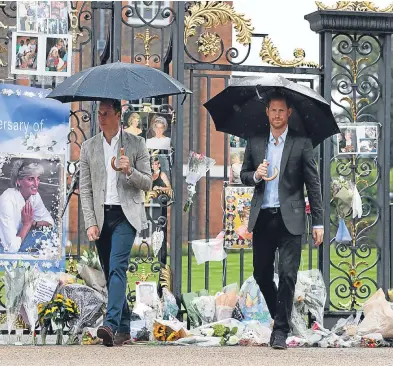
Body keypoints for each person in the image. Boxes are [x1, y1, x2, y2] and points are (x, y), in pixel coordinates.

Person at [240, 91, 324, 350]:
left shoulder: (302, 143)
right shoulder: (255, 141)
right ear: (267, 112)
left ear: (288, 113)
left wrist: (318, 222)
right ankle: (283, 315)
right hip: (264, 217)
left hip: (292, 218)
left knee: (288, 274)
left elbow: (313, 183)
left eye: (281, 111)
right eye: (272, 110)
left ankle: (280, 330)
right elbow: (244, 174)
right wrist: (256, 175)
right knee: (262, 273)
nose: (276, 115)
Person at [79, 99, 152, 347]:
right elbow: (85, 189)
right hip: (102, 216)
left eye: (106, 114)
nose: (101, 118)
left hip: (125, 215)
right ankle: (123, 327)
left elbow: (148, 183)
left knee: (117, 267)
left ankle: (109, 325)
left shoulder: (136, 143)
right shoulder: (89, 147)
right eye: (99, 114)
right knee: (111, 274)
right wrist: (90, 222)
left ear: (118, 116)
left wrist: (129, 171)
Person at [0, 160, 54, 253]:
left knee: (50, 232)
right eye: (30, 179)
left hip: (19, 240)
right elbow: (11, 248)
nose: (36, 184)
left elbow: (50, 223)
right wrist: (27, 224)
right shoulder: (7, 201)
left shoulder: (34, 196)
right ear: (18, 181)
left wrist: (34, 223)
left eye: (38, 178)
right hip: (5, 248)